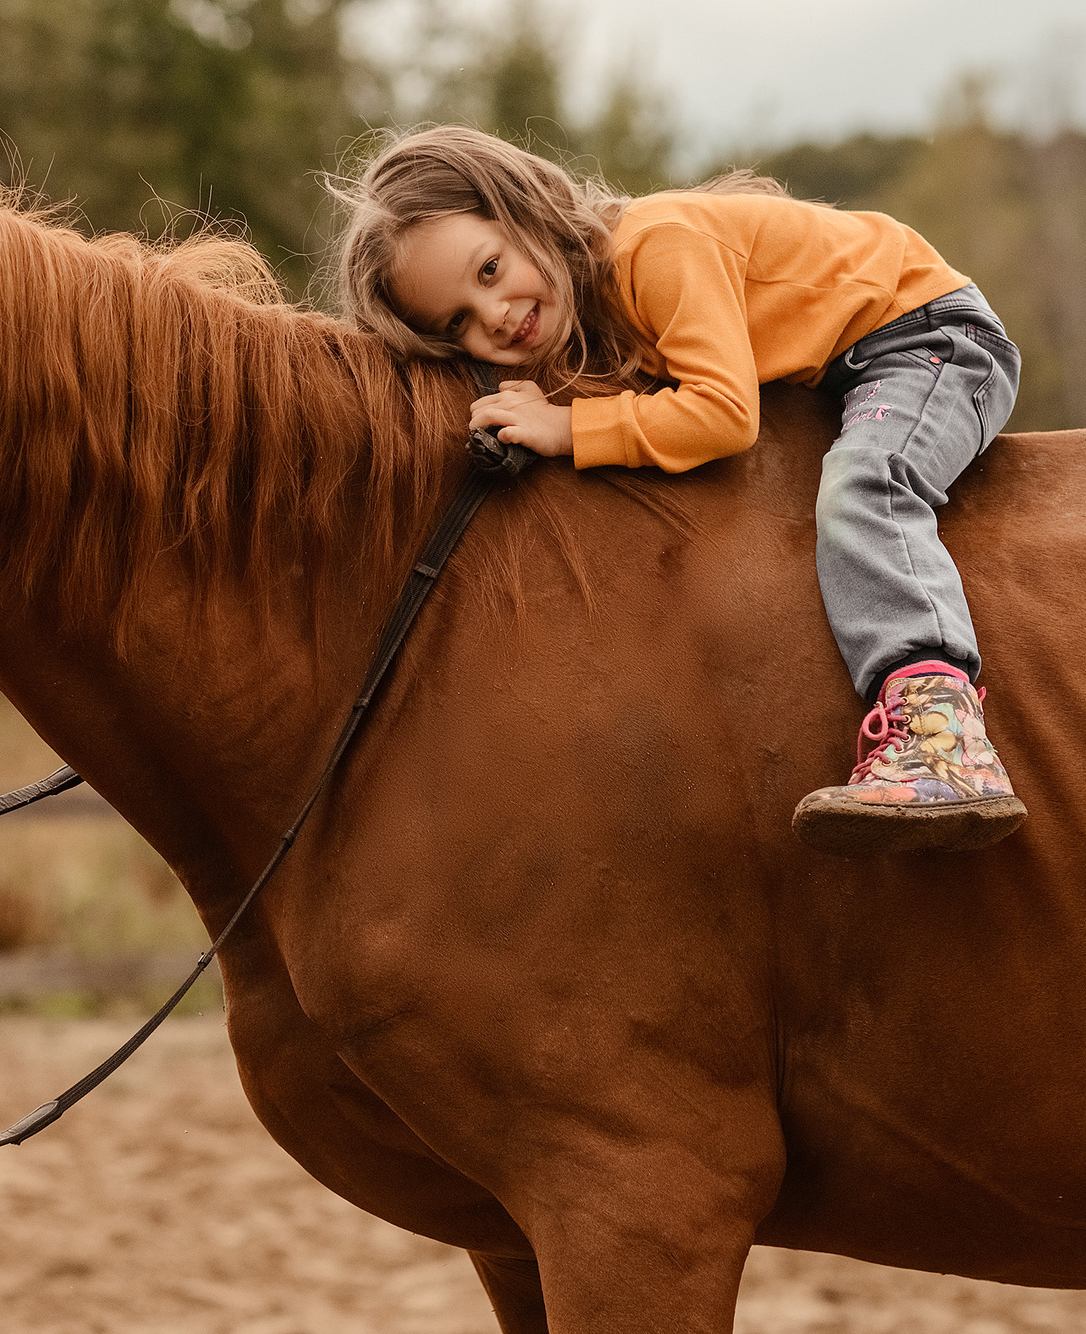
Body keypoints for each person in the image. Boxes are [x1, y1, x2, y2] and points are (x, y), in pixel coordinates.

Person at [329, 125, 1025, 856]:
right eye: (458, 322)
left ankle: (942, 730)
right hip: (848, 362)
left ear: (523, 206)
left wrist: (569, 429)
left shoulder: (654, 248)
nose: (495, 314)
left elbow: (724, 415)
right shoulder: (597, 305)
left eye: (491, 269)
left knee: (865, 485)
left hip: (927, 336)